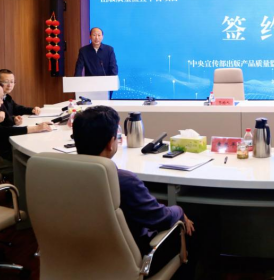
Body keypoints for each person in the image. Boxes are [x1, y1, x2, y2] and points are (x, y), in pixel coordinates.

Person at [72, 106, 196, 276]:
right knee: (198, 226)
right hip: (133, 260)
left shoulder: (64, 174)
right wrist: (180, 211)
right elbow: (163, 219)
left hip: (79, 257)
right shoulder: (124, 181)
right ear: (110, 143)